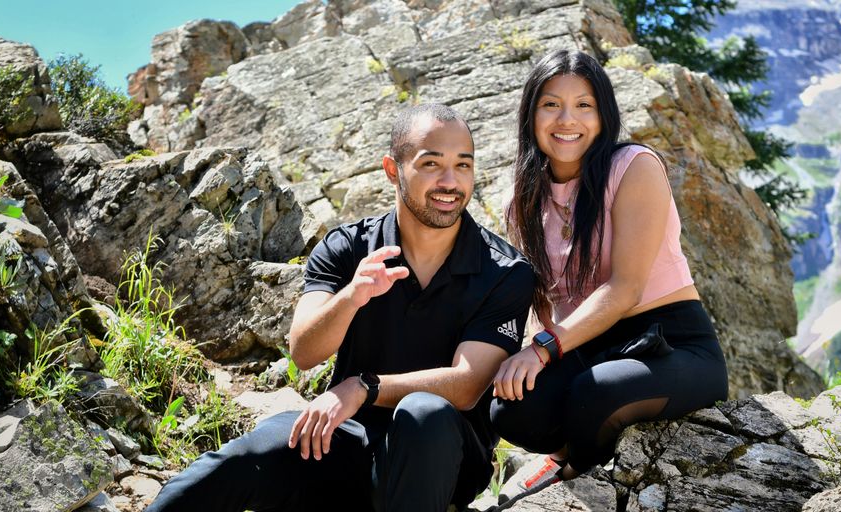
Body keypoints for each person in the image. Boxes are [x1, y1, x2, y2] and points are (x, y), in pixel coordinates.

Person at [146, 103, 535, 512]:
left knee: (425, 412)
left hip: (442, 457)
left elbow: (467, 384)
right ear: (392, 170)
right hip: (346, 436)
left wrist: (363, 387)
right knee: (238, 463)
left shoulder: (505, 272)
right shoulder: (347, 247)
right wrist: (352, 296)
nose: (450, 181)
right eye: (431, 164)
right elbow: (304, 351)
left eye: (463, 165)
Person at [489, 49, 729, 503]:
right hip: (589, 344)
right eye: (551, 104)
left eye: (584, 105)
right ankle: (575, 448)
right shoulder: (522, 200)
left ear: (604, 114)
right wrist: (527, 357)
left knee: (594, 392)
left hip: (673, 342)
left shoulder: (633, 166)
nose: (567, 119)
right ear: (531, 114)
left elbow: (625, 289)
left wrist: (541, 351)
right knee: (510, 407)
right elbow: (544, 300)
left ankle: (576, 472)